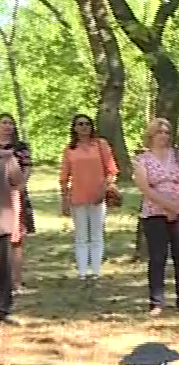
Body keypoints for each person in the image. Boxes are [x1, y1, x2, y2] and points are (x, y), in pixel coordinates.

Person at [133, 118, 179, 316]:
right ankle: (156, 301)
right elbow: (144, 188)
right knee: (157, 257)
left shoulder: (178, 155)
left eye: (167, 132)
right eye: (159, 132)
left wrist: (178, 204)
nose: (164, 136)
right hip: (154, 212)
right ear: (151, 135)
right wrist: (167, 206)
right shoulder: (141, 160)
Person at [59, 113, 119, 282]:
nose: (84, 127)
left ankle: (95, 271)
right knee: (81, 236)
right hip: (77, 197)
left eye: (87, 123)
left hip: (97, 196)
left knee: (96, 234)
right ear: (74, 128)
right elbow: (64, 176)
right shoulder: (70, 149)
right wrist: (64, 197)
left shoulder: (101, 145)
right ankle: (82, 271)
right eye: (80, 124)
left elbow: (111, 170)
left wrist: (103, 190)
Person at [0, 114, 33, 291]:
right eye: (4, 123)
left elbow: (27, 167)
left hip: (15, 195)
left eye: (10, 123)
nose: (7, 126)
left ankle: (17, 281)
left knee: (16, 239)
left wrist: (20, 186)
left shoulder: (20, 147)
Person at [0, 143, 20, 321]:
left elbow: (16, 185)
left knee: (3, 267)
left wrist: (15, 221)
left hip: (2, 220)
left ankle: (3, 308)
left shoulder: (6, 157)